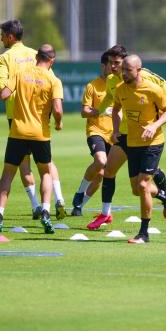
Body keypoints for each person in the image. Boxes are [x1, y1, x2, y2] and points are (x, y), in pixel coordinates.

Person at [79, 45, 166, 231]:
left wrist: (154, 122)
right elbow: (111, 101)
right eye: (111, 64)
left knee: (139, 186)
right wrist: (106, 121)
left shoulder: (146, 79)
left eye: (118, 64)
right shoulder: (115, 81)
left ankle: (150, 219)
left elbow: (164, 92)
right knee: (109, 171)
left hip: (147, 137)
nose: (114, 68)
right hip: (124, 134)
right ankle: (106, 214)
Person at [0, 20, 67, 220]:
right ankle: (57, 200)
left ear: (10, 36)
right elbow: (53, 91)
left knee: (19, 167)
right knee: (46, 165)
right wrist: (58, 122)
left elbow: (3, 91)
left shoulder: (6, 58)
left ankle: (33, 206)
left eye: (2, 34)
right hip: (41, 125)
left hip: (17, 120)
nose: (1, 38)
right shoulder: (38, 57)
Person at [112, 55, 166, 244]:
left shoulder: (153, 89)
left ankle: (144, 234)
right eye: (123, 70)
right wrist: (115, 130)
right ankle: (165, 196)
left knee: (143, 185)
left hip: (153, 142)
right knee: (135, 189)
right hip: (133, 143)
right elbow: (116, 109)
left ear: (139, 69)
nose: (123, 73)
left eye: (128, 70)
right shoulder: (120, 89)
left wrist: (154, 126)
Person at [71, 52, 112, 213]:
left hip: (114, 135)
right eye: (111, 64)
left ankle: (79, 205)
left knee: (101, 174)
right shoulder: (93, 86)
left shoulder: (120, 86)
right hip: (96, 131)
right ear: (103, 66)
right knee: (101, 161)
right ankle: (80, 191)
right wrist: (102, 110)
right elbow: (84, 112)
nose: (114, 67)